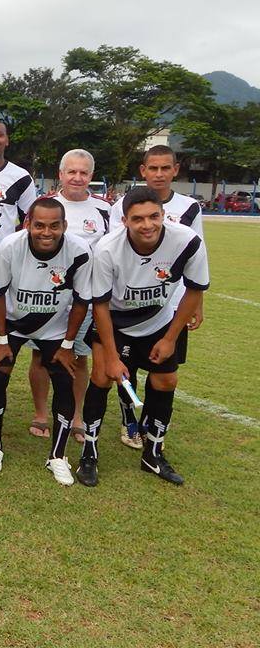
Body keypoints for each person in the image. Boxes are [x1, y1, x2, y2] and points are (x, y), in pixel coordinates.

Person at [76, 187, 209, 487]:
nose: (147, 225)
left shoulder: (186, 241)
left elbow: (195, 289)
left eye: (154, 217)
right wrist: (111, 357)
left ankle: (153, 452)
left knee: (167, 381)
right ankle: (89, 452)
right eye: (138, 219)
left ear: (163, 215)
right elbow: (100, 305)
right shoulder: (108, 249)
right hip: (116, 322)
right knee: (100, 377)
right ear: (124, 220)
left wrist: (170, 338)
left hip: (159, 321)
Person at [0, 198, 92, 485]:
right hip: (12, 323)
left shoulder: (80, 251)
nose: (47, 232)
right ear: (28, 224)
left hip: (55, 328)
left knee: (64, 382)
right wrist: (1, 340)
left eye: (54, 226)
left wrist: (68, 345)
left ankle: (57, 456)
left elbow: (82, 301)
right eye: (40, 225)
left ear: (64, 226)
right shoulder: (10, 246)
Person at [107, 145, 204, 448]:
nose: (159, 174)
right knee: (128, 369)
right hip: (128, 303)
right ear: (143, 170)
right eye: (154, 168)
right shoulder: (121, 205)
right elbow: (118, 250)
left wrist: (197, 304)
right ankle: (129, 421)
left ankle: (152, 421)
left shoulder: (190, 207)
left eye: (166, 168)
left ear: (176, 170)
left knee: (162, 368)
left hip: (171, 305)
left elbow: (197, 256)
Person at [28, 150, 110, 442]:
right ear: (60, 174)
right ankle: (40, 413)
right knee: (41, 356)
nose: (77, 177)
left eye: (84, 173)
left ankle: (76, 415)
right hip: (46, 296)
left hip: (84, 298)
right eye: (71, 172)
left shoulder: (104, 210)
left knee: (78, 357)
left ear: (91, 176)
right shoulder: (44, 206)